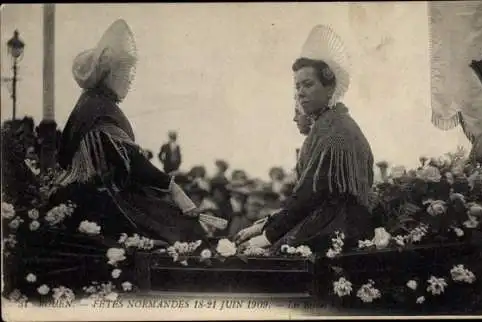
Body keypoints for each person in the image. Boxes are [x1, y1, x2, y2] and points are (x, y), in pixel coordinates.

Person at [53, 19, 221, 244]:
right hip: (104, 198)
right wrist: (174, 189)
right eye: (124, 72)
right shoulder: (100, 108)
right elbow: (133, 163)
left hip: (99, 193)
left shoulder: (92, 104)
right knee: (182, 229)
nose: (129, 79)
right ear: (109, 74)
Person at [235, 25, 375, 253]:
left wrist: (267, 236)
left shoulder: (337, 130)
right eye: (297, 86)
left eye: (308, 85)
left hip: (340, 232)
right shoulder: (327, 123)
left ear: (330, 88)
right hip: (327, 224)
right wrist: (265, 226)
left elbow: (311, 193)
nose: (300, 93)